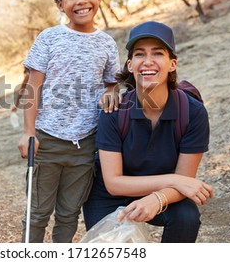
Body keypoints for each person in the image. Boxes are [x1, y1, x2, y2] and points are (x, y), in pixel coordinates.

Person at [82, 21, 213, 243]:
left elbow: (185, 182)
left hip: (164, 189)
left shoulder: (192, 112)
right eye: (140, 54)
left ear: (172, 64)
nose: (148, 61)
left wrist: (158, 199)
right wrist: (174, 180)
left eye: (158, 53)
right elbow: (114, 182)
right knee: (105, 246)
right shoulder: (113, 111)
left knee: (186, 216)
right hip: (109, 193)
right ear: (130, 65)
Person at [18, 0, 121, 243]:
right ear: (60, 4)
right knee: (38, 213)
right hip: (47, 141)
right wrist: (29, 132)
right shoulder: (49, 38)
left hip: (85, 145)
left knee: (68, 215)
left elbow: (112, 82)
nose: (81, 1)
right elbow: (32, 87)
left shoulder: (107, 44)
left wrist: (111, 91)